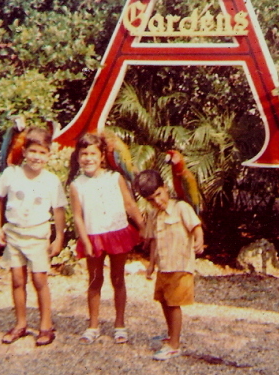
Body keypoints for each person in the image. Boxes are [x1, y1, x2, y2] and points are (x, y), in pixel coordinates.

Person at [0, 126, 67, 346]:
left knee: (39, 280)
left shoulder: (51, 180)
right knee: (17, 280)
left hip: (38, 234)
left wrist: (59, 237)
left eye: (42, 152)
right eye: (33, 151)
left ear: (49, 154)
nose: (37, 157)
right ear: (24, 151)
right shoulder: (11, 173)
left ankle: (45, 326)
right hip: (14, 234)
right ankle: (20, 324)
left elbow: (59, 210)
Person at [67, 133, 145, 345]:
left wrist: (143, 227)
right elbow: (77, 216)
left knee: (118, 279)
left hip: (117, 233)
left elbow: (130, 205)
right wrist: (85, 240)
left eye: (93, 153)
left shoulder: (115, 178)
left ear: (102, 156)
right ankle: (93, 326)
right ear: (78, 157)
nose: (88, 158)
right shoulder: (77, 185)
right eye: (84, 154)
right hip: (93, 237)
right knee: (94, 281)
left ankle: (120, 324)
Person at [134, 169, 204, 361]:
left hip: (180, 265)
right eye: (151, 199)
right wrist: (151, 264)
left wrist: (199, 239)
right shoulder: (153, 214)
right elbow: (154, 241)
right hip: (164, 267)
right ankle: (171, 333)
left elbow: (195, 226)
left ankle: (174, 344)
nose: (157, 201)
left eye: (158, 195)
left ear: (165, 188)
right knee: (164, 301)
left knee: (174, 304)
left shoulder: (181, 208)